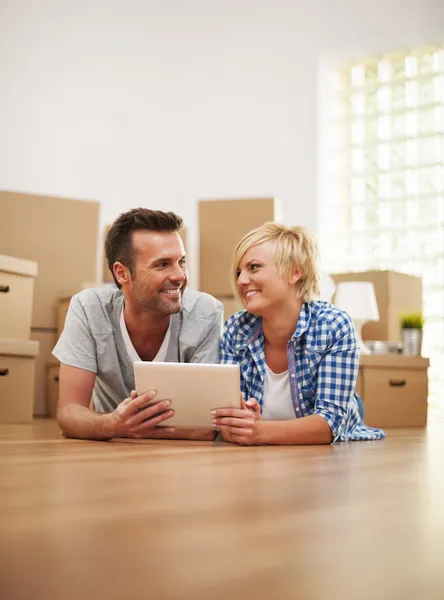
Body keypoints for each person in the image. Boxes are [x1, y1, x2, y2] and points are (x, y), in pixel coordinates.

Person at [53, 208, 223, 441]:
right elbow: (68, 414)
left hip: (182, 463)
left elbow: (206, 426)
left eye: (181, 261)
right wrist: (111, 425)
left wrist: (122, 427)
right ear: (122, 274)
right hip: (108, 457)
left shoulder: (206, 313)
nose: (180, 275)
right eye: (162, 264)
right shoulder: (89, 309)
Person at [212, 222, 385, 446]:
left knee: (350, 406)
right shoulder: (236, 328)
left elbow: (329, 425)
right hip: (272, 433)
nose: (241, 281)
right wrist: (240, 422)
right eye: (238, 272)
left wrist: (258, 431)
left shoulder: (334, 325)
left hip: (336, 418)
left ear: (295, 272)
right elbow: (229, 422)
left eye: (254, 267)